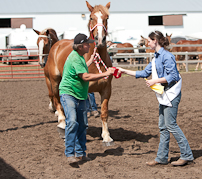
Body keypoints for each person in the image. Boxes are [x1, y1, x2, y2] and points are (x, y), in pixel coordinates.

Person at [117, 30, 194, 166]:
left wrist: (154, 80)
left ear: (155, 41)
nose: (147, 43)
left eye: (149, 41)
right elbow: (143, 73)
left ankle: (186, 154)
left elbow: (173, 76)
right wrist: (123, 71)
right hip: (164, 94)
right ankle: (161, 158)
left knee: (170, 124)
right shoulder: (156, 57)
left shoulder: (167, 56)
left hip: (171, 94)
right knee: (163, 127)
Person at [59, 33, 115, 164]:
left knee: (83, 124)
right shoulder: (74, 58)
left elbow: (83, 65)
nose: (90, 45)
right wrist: (105, 73)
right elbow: (85, 77)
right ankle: (69, 153)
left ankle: (81, 153)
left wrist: (91, 60)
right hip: (69, 94)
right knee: (72, 122)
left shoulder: (79, 57)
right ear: (80, 47)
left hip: (80, 95)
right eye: (87, 44)